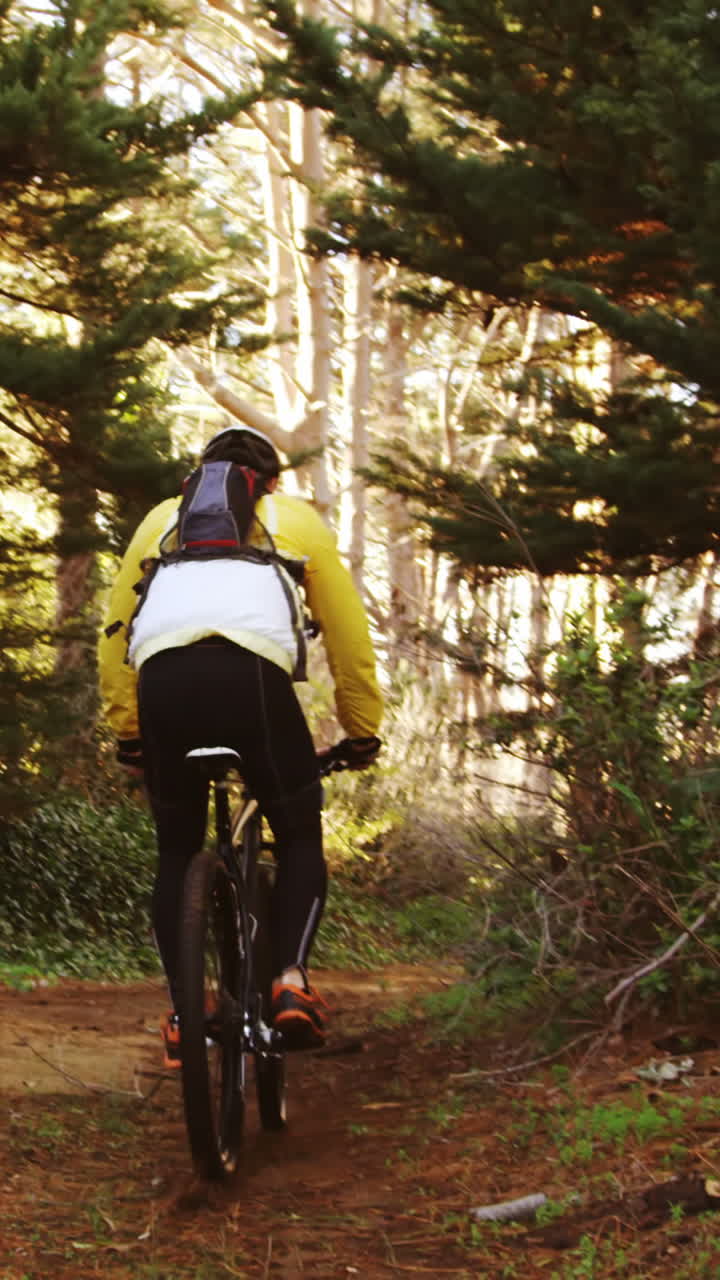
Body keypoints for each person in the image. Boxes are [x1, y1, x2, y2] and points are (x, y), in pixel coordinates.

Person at [98, 424, 383, 1065]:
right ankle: (290, 982)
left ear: (200, 476)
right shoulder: (293, 520)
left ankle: (184, 1011)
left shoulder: (161, 522)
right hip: (253, 681)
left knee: (177, 850)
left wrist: (130, 731)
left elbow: (117, 630)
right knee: (299, 830)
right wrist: (361, 730)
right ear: (270, 483)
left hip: (164, 682)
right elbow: (347, 634)